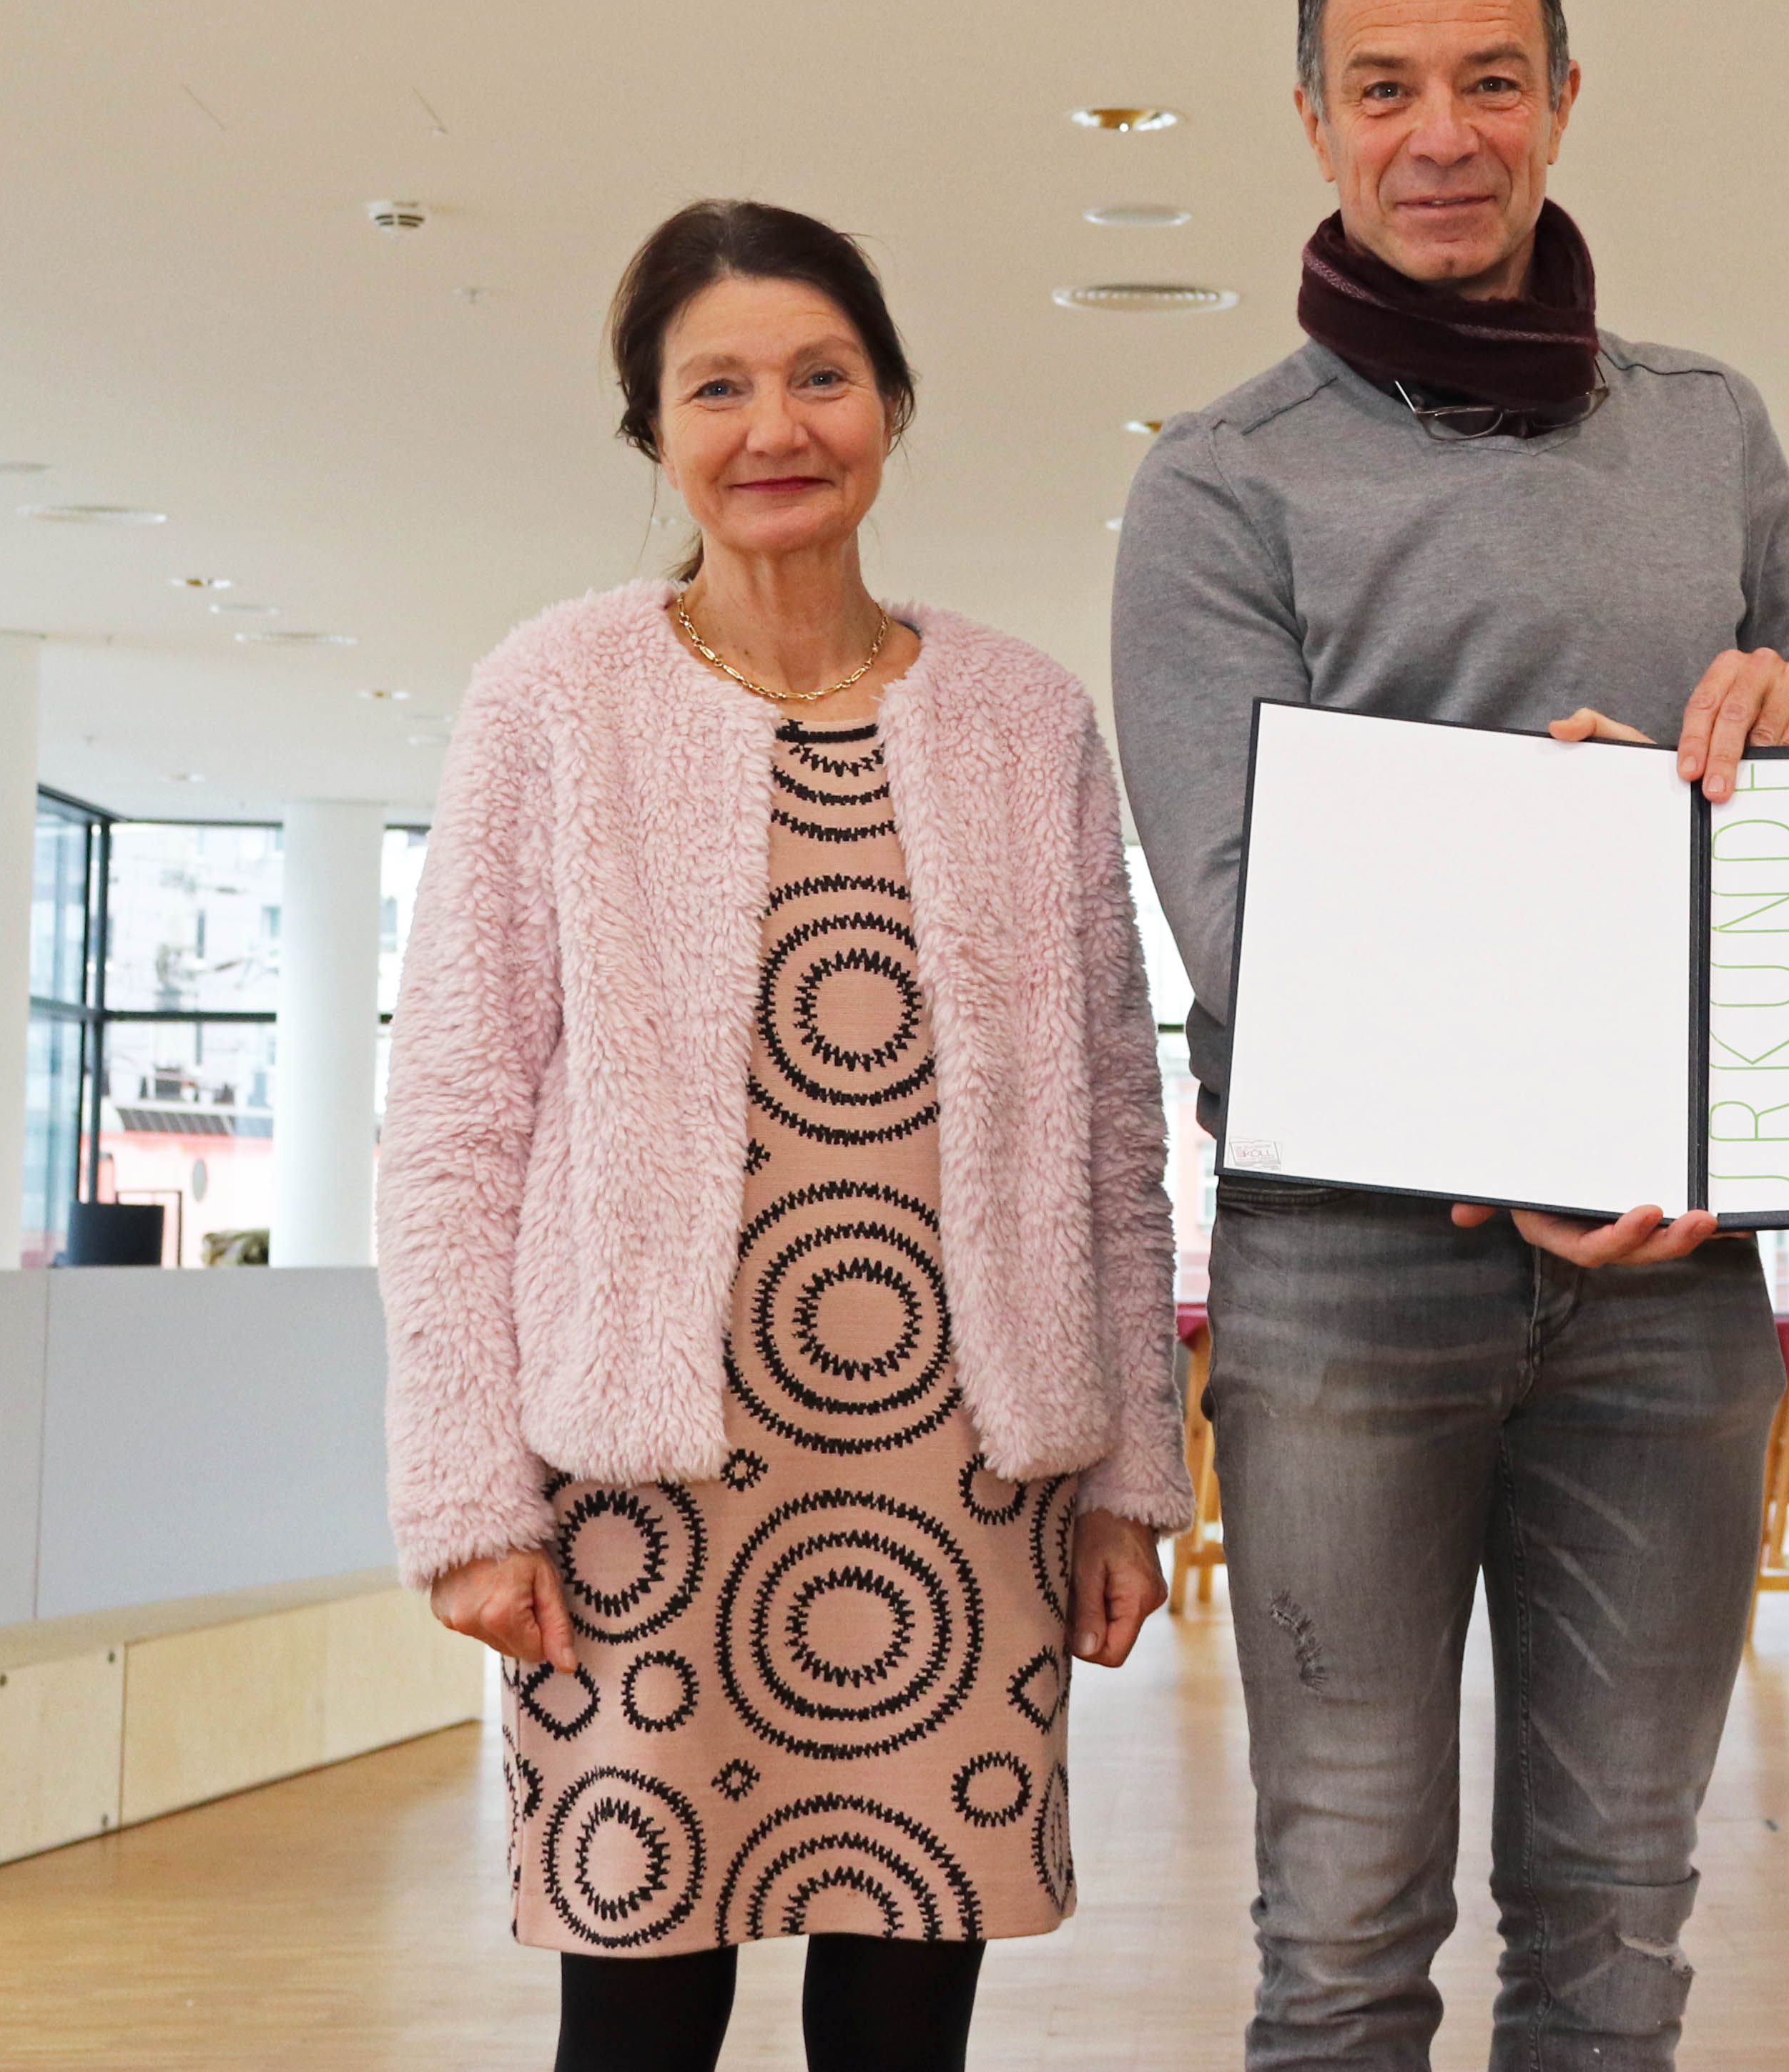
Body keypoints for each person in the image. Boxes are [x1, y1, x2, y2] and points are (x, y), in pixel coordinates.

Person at [1110, 0, 1789, 2069]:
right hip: (1344, 1278)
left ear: (1560, 99)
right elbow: (1240, 903)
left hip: (1671, 1278)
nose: (1438, 133)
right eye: (1384, 88)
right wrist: (1519, 1063)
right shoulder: (1218, 481)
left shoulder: (1707, 432)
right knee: (1345, 1921)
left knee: (1615, 1922)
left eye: (1486, 79)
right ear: (1309, 120)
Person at [380, 200, 1188, 2072]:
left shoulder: (1021, 717)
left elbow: (1112, 1136)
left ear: (891, 403)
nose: (775, 427)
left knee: (905, 2019)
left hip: (956, 1480)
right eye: (717, 386)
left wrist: (1133, 1472)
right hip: (638, 1487)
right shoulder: (556, 698)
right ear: (651, 430)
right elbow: (454, 1127)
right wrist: (466, 1496)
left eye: (821, 376)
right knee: (636, 2021)